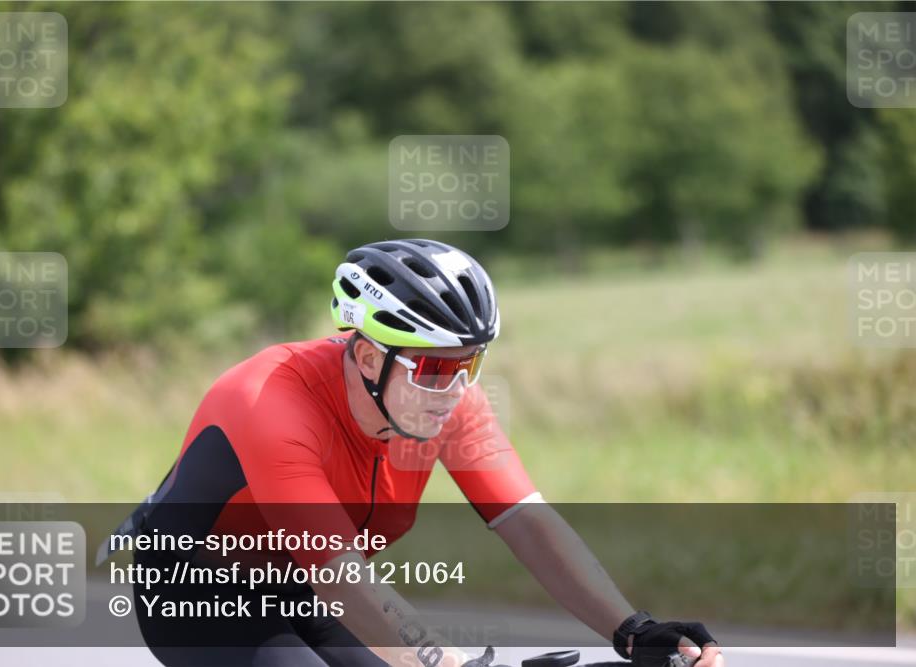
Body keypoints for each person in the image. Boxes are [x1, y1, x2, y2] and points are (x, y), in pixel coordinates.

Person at [109, 239, 724, 667]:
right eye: (433, 368)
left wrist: (632, 630)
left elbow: (527, 521)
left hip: (297, 583)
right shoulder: (269, 402)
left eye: (470, 365)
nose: (456, 390)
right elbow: (341, 578)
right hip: (198, 592)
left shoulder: (446, 400)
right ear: (371, 357)